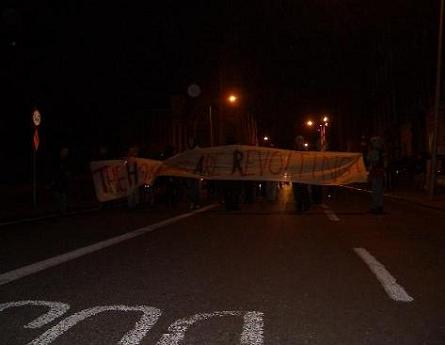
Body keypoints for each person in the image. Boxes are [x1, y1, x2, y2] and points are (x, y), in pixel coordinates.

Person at [292, 135, 311, 212]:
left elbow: (308, 161)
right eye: (298, 140)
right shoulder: (293, 151)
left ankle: (306, 204)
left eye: (300, 140)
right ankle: (299, 205)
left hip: (303, 173)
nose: (299, 142)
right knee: (297, 190)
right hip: (296, 173)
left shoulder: (305, 151)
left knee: (304, 190)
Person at [367, 136, 385, 214]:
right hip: (380, 172)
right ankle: (379, 206)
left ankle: (375, 206)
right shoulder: (382, 151)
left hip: (375, 172)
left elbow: (369, 160)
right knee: (379, 189)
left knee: (375, 189)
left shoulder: (373, 152)